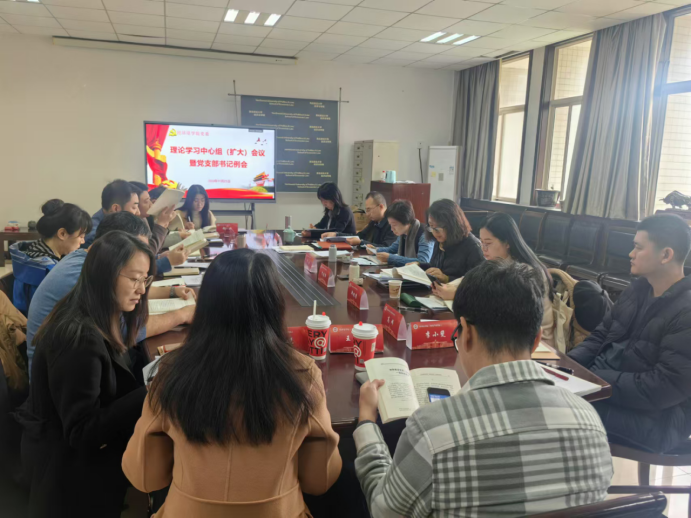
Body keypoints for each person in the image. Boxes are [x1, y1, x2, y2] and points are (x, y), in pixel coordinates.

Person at [355, 260, 612, 517]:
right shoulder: (590, 421)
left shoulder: (432, 431)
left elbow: (383, 511)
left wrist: (367, 421)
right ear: (536, 341)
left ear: (466, 333)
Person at [123, 249, 342, 516]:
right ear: (275, 304)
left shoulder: (172, 371)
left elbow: (145, 476)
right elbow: (320, 480)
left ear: (205, 306)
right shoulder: (303, 374)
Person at [17, 231, 152, 517]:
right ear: (105, 276)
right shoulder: (78, 338)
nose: (141, 289)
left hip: (77, 463)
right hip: (67, 480)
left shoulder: (97, 313)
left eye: (145, 279)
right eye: (134, 279)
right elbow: (82, 432)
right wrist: (150, 391)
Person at [568, 214, 691, 453]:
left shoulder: (686, 311)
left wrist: (593, 380)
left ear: (666, 255)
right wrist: (567, 367)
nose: (630, 254)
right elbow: (600, 336)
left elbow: (663, 386)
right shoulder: (637, 290)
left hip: (658, 420)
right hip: (610, 392)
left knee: (558, 411)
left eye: (638, 247)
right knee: (544, 392)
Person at [26, 212, 196, 374]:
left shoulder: (88, 259)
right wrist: (182, 315)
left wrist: (171, 291)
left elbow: (125, 287)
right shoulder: (82, 276)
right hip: (67, 373)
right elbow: (125, 330)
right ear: (111, 247)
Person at [433, 212, 555, 348]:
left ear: (507, 243)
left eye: (488, 243)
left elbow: (496, 304)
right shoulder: (499, 261)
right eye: (481, 243)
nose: (483, 249)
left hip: (536, 344)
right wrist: (450, 286)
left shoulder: (524, 272)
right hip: (510, 336)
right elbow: (471, 278)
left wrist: (457, 293)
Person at [9, 199, 92, 313]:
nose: (83, 241)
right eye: (81, 236)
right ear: (62, 234)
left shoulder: (31, 253)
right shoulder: (47, 270)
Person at [420, 199, 484, 282]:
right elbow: (436, 267)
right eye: (431, 227)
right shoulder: (440, 240)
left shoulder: (472, 247)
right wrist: (420, 265)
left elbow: (476, 282)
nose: (434, 233)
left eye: (438, 228)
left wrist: (446, 279)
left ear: (452, 225)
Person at [369, 200, 432, 266]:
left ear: (406, 221)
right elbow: (392, 249)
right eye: (390, 225)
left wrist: (390, 258)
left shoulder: (425, 235)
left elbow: (422, 262)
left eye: (394, 225)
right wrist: (375, 250)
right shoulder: (403, 234)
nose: (392, 229)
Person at [322, 191, 396, 248]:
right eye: (366, 210)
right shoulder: (374, 221)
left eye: (369, 210)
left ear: (381, 207)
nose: (367, 214)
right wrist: (336, 235)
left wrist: (361, 243)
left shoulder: (392, 223)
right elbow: (359, 236)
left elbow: (386, 248)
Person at [83, 179, 140, 247]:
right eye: (134, 207)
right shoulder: (96, 238)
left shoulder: (119, 226)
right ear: (116, 209)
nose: (138, 213)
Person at [129, 181, 176, 255]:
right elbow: (148, 253)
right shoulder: (130, 224)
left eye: (149, 200)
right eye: (146, 201)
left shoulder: (143, 218)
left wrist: (159, 257)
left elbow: (154, 248)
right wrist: (161, 224)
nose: (151, 205)